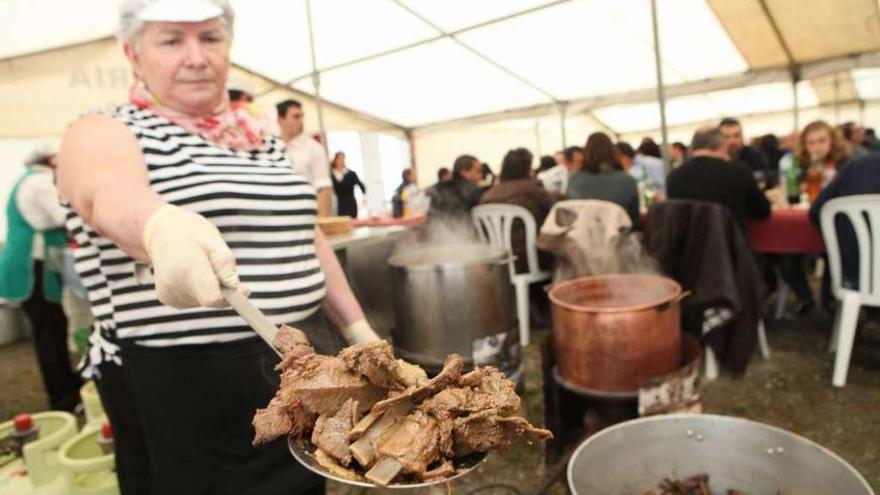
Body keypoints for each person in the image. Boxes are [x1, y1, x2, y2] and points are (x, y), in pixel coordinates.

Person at [56, 2, 379, 493]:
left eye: (210, 38)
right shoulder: (105, 127)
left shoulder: (260, 140)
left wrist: (357, 328)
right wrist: (158, 225)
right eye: (171, 40)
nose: (196, 57)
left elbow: (304, 233)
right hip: (192, 382)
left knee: (305, 484)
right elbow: (104, 190)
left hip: (302, 359)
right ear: (133, 54)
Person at [0, 148, 82, 412]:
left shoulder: (27, 179)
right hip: (31, 267)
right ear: (50, 161)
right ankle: (64, 399)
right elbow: (64, 216)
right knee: (50, 332)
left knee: (52, 328)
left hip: (31, 264)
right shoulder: (40, 181)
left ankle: (67, 385)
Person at [666, 126, 770, 225]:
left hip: (688, 243)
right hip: (729, 242)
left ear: (693, 147)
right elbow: (763, 211)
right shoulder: (738, 172)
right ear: (722, 145)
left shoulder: (673, 177)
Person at [480, 148, 560, 273]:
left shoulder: (487, 195)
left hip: (498, 262)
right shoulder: (533, 190)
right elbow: (556, 209)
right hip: (530, 260)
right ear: (527, 169)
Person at [566, 132, 640, 228]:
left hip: (582, 238)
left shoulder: (574, 179)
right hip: (618, 238)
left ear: (585, 153)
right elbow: (635, 222)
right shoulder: (628, 180)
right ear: (613, 153)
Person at [277, 99, 332, 217]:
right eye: (296, 117)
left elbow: (323, 189)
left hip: (305, 217)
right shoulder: (273, 147)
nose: (301, 121)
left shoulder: (314, 148)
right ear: (280, 119)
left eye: (302, 116)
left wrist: (321, 222)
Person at [798, 120, 849, 203]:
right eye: (811, 143)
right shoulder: (803, 164)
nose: (817, 147)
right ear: (804, 145)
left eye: (822, 141)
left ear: (832, 141)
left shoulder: (844, 162)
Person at [426, 154, 484, 219]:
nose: (481, 176)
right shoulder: (473, 191)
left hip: (437, 227)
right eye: (478, 171)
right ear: (464, 172)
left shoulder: (434, 189)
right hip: (463, 228)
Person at [719, 117, 771, 188]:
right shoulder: (715, 159)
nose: (732, 141)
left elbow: (765, 180)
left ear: (742, 137)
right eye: (727, 137)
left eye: (736, 136)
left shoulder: (754, 155)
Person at [329, 151, 365, 218]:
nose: (342, 161)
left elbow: (362, 187)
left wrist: (364, 197)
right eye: (340, 159)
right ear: (335, 160)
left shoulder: (351, 174)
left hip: (351, 204)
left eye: (343, 159)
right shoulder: (331, 175)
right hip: (339, 205)